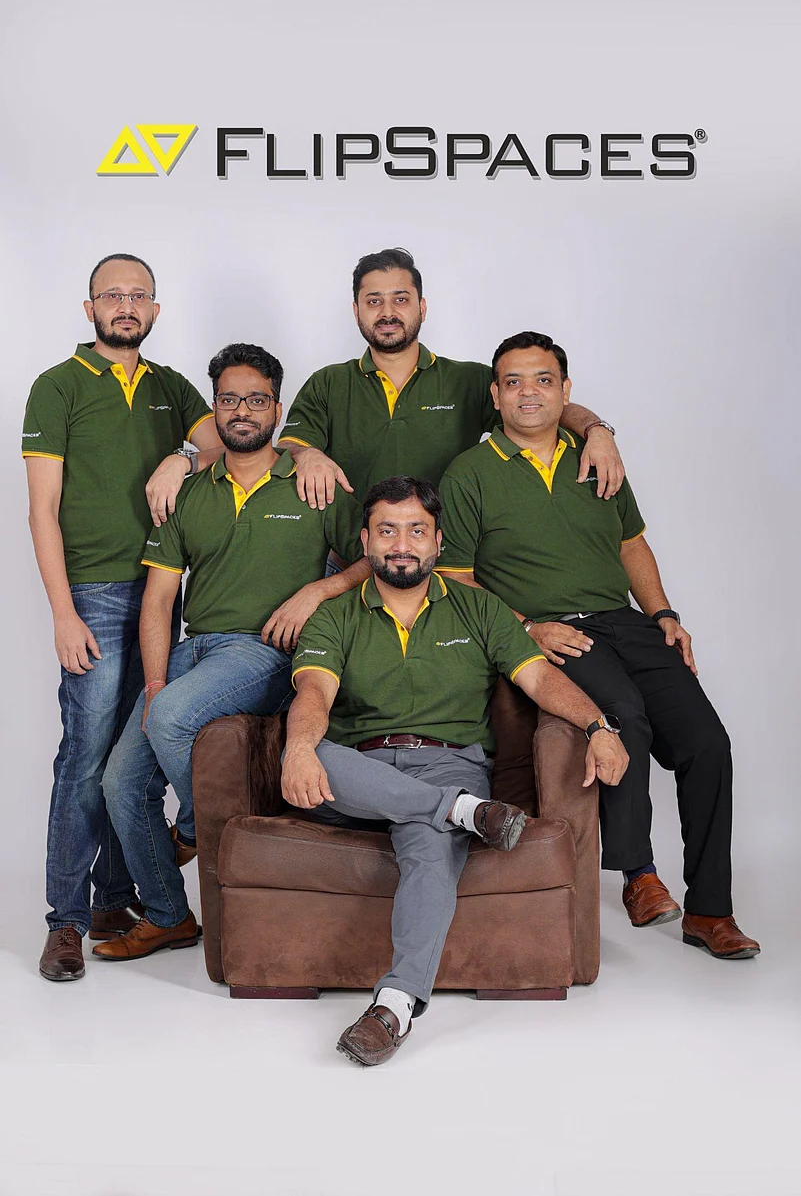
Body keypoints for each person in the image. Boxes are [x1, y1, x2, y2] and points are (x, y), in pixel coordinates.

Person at [282, 476, 629, 1066]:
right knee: (316, 752)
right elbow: (314, 694)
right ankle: (462, 813)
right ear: (365, 541)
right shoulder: (335, 616)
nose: (402, 544)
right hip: (358, 765)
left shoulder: (479, 607)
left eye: (417, 531)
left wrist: (599, 726)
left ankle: (393, 1005)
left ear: (438, 542)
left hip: (449, 761)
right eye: (387, 530)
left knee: (427, 844)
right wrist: (296, 746)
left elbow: (539, 679)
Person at [437, 330, 759, 959]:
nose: (529, 393)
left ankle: (711, 912)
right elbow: (457, 578)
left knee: (707, 744)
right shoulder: (470, 473)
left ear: (565, 390)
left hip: (625, 620)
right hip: (552, 628)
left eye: (543, 380)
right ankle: (639, 875)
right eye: (513, 382)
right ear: (495, 396)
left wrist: (663, 612)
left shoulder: (596, 458)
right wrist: (523, 628)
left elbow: (630, 543)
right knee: (622, 718)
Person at [93, 343, 369, 962]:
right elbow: (160, 599)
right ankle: (168, 915)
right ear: (215, 406)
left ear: (277, 405)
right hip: (196, 649)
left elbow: (371, 559)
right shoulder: (189, 491)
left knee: (168, 719)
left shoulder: (313, 481)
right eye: (228, 399)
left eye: (256, 398)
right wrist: (158, 679)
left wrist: (316, 591)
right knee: (119, 781)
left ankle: (191, 826)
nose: (242, 410)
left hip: (265, 653)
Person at [23, 253, 223, 983]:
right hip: (97, 595)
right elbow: (42, 509)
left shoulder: (169, 386)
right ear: (89, 308)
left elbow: (217, 436)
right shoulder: (59, 386)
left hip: (162, 593)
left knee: (129, 757)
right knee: (84, 757)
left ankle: (114, 900)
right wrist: (63, 612)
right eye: (113, 294)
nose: (126, 304)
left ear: (156, 310)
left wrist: (178, 455)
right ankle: (66, 921)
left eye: (139, 295)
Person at [274, 247, 626, 515]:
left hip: (447, 561)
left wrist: (597, 430)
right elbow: (290, 444)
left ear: (422, 308)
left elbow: (537, 405)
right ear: (356, 311)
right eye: (373, 301)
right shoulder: (327, 383)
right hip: (347, 561)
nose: (387, 313)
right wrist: (307, 454)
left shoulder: (469, 379)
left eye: (401, 299)